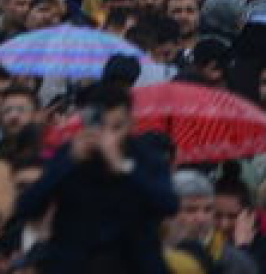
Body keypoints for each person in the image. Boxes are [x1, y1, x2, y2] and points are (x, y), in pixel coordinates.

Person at [9, 82, 177, 274]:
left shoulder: (146, 158)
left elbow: (168, 204)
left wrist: (123, 167)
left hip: (132, 262)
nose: (108, 135)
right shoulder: (68, 155)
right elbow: (26, 207)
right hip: (74, 262)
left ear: (131, 123)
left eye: (116, 127)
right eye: (101, 125)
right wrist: (68, 164)